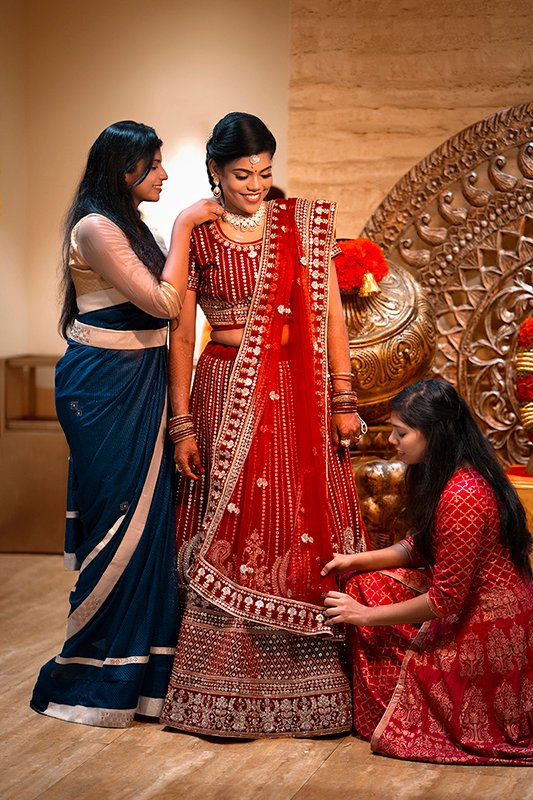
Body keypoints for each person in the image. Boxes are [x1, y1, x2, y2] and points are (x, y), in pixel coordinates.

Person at [159, 112, 369, 738]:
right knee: (226, 527)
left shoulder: (299, 227)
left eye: (265, 172)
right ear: (215, 173)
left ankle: (314, 692)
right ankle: (221, 690)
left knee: (295, 524)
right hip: (224, 386)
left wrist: (343, 395)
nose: (255, 185)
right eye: (242, 174)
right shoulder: (199, 230)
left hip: (294, 396)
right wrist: (182, 421)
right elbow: (178, 330)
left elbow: (329, 312)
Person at [30, 120, 223, 727]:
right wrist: (191, 224)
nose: (165, 175)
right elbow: (164, 303)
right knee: (119, 520)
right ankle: (93, 672)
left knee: (152, 525)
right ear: (124, 169)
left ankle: (143, 680)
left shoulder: (130, 225)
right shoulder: (94, 227)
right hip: (104, 388)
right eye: (155, 164)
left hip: (140, 382)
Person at [323, 378, 533, 764]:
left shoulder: (463, 493)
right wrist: (355, 559)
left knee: (365, 605)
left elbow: (445, 599)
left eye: (402, 433)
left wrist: (364, 615)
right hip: (468, 602)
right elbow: (420, 546)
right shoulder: (444, 474)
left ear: (433, 434)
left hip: (488, 622)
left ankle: (392, 712)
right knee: (362, 582)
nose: (392, 441)